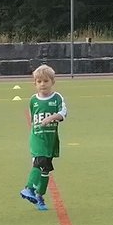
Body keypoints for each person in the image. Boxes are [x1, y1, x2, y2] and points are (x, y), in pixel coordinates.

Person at [19, 64, 65, 210]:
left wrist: (51, 118)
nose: (42, 84)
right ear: (35, 83)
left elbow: (63, 113)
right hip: (37, 138)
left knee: (45, 169)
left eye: (46, 81)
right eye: (39, 81)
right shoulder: (33, 100)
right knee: (40, 161)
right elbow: (33, 118)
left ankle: (39, 196)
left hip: (51, 139)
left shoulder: (57, 98)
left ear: (52, 82)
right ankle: (29, 188)